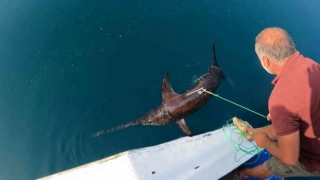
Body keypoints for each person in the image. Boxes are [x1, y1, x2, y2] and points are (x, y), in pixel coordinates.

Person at [223, 27, 320, 179]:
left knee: (270, 167)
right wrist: (286, 113)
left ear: (265, 61)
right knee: (275, 129)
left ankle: (242, 174)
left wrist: (265, 142)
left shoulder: (280, 97)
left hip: (314, 158)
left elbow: (290, 158)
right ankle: (252, 133)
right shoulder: (312, 65)